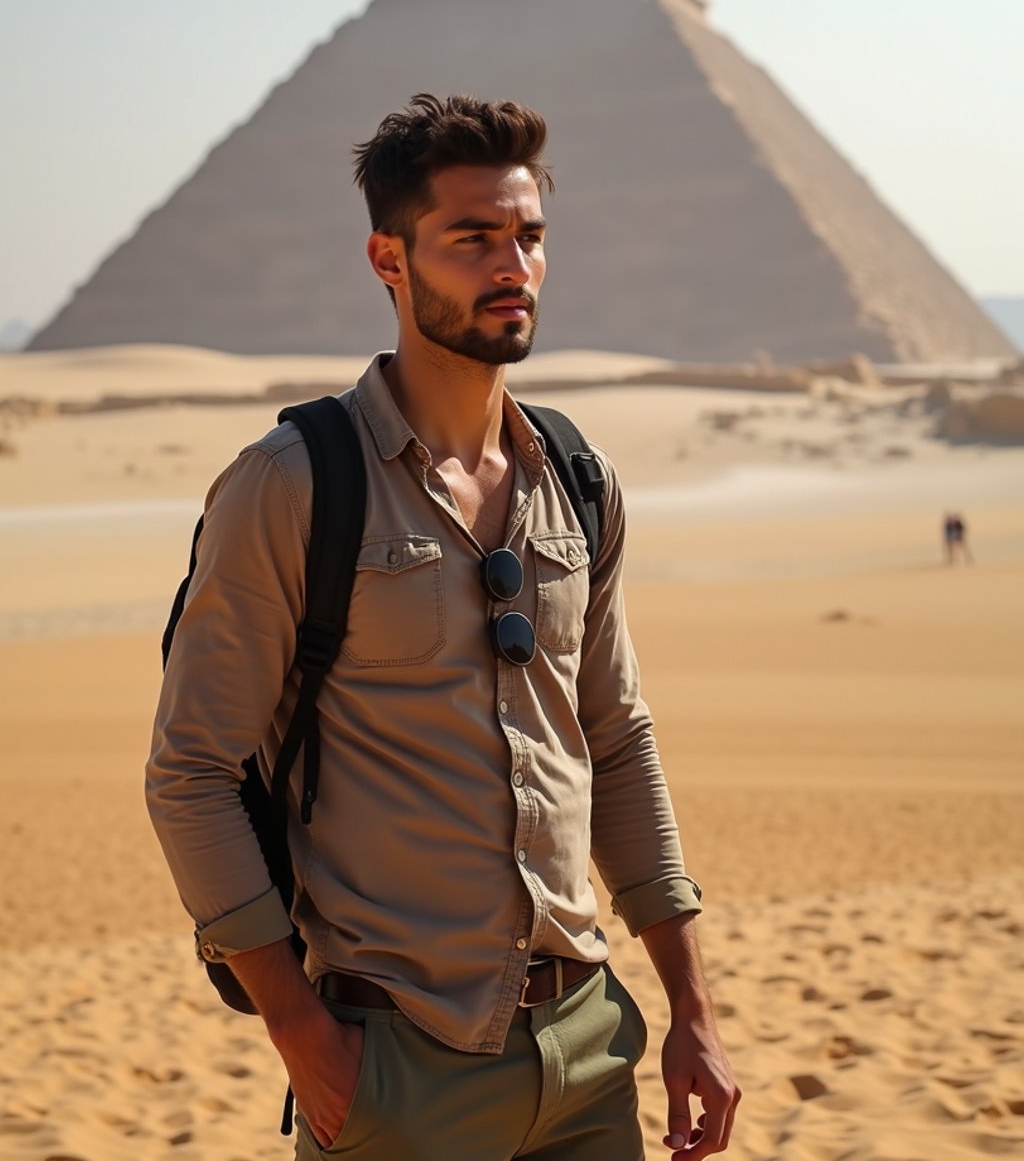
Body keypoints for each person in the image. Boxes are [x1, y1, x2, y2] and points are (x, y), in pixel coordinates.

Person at [147, 93, 739, 1160]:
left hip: (587, 1055)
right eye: (472, 238)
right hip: (398, 1067)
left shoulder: (577, 478)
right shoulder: (290, 486)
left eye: (529, 236)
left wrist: (690, 1003)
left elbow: (614, 737)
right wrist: (296, 1029)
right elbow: (189, 769)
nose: (511, 262)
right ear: (389, 257)